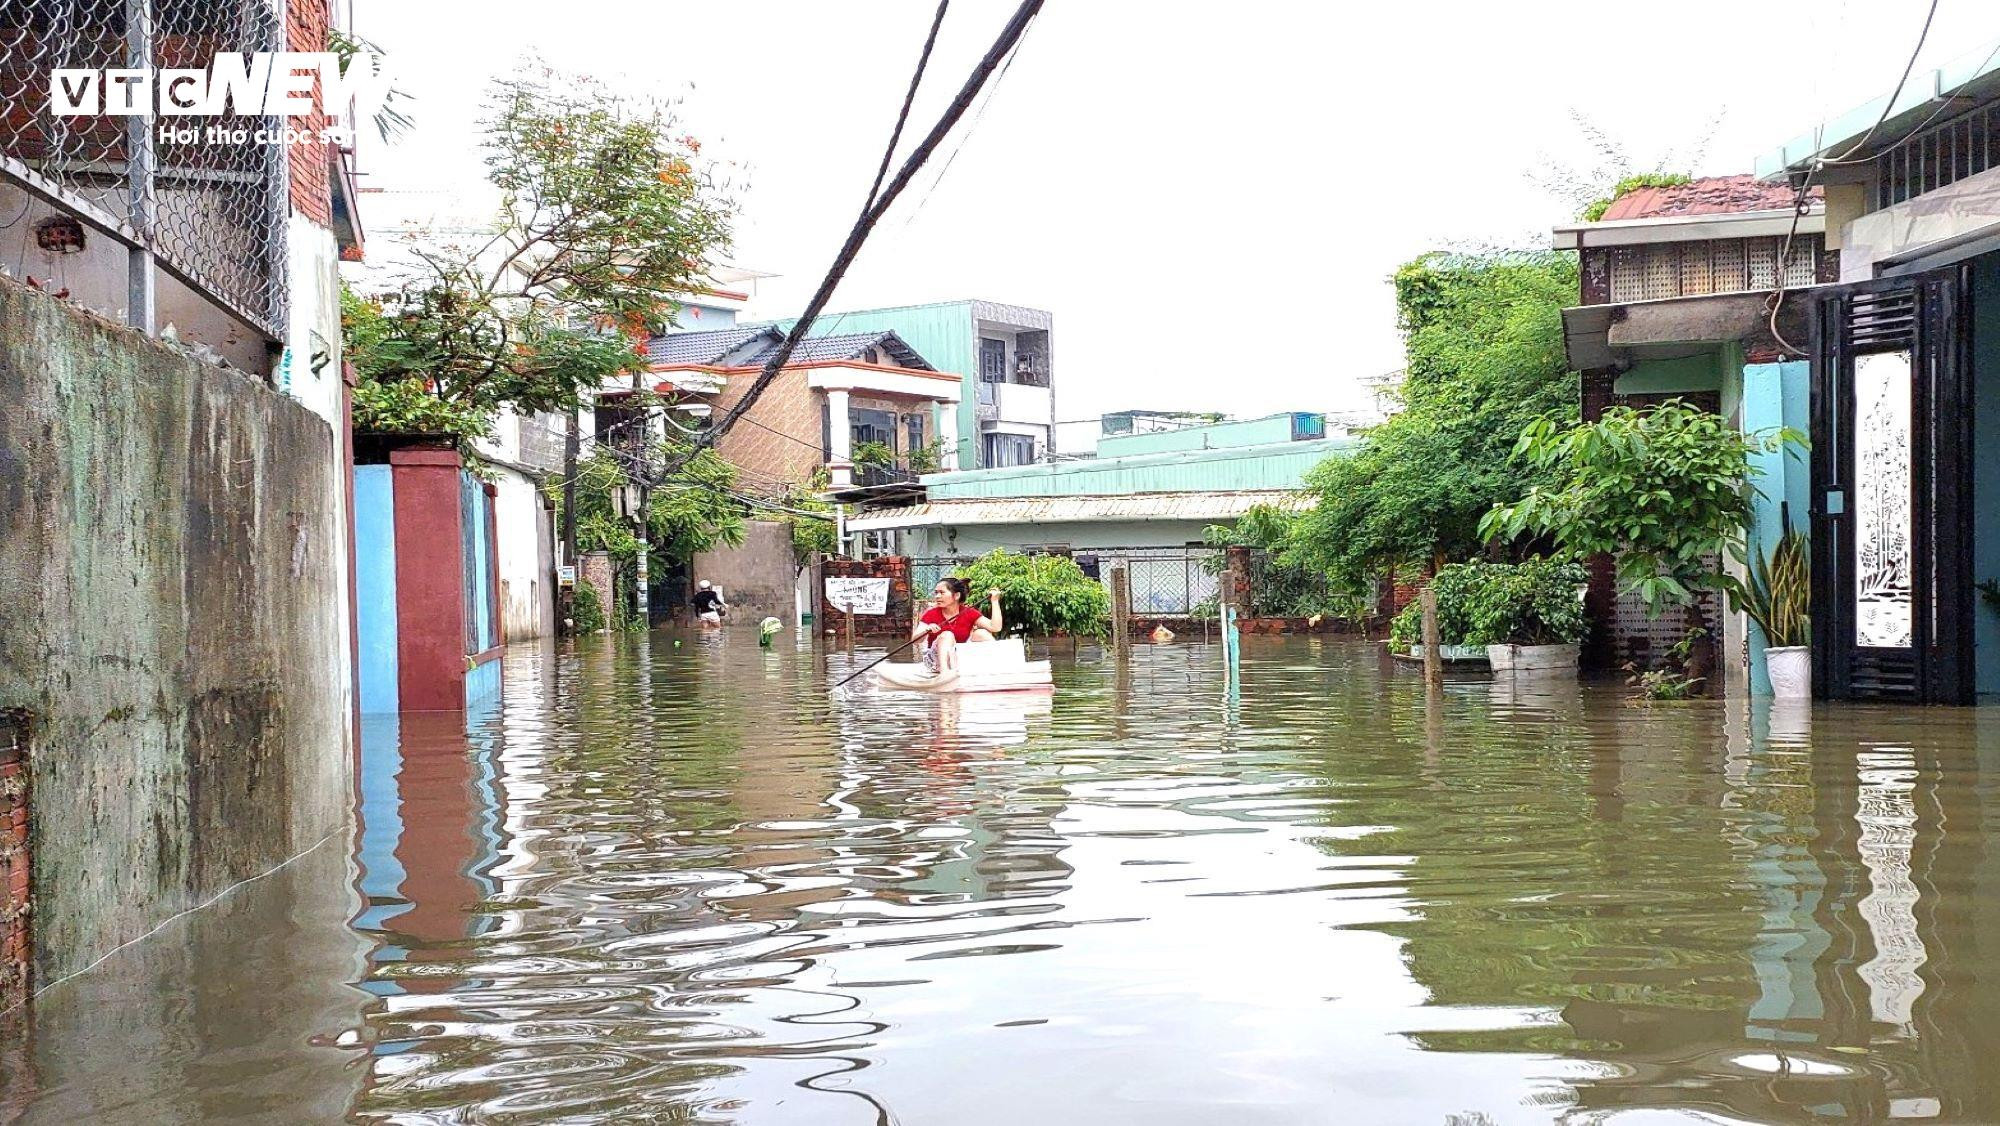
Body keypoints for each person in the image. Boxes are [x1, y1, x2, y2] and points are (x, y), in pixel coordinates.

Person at [912, 577, 1003, 675]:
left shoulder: (968, 612)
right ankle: (944, 673)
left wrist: (994, 601)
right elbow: (915, 640)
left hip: (959, 656)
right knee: (947, 635)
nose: (937, 596)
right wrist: (926, 630)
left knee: (981, 633)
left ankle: (996, 666)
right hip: (936, 661)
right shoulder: (931, 613)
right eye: (936, 593)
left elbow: (995, 627)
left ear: (956, 595)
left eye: (942, 593)